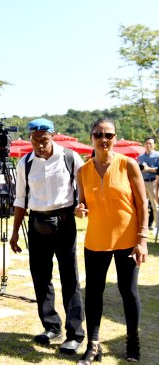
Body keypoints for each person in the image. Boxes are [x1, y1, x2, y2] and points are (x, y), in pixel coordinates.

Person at [74, 118, 148, 364]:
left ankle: (132, 343)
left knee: (128, 292)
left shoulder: (129, 165)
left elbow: (142, 204)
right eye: (98, 134)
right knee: (94, 293)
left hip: (128, 240)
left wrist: (143, 239)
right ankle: (93, 346)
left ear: (115, 137)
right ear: (91, 138)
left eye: (109, 135)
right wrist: (80, 209)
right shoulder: (82, 171)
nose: (103, 139)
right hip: (96, 241)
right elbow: (82, 202)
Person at [9, 118, 85, 354]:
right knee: (40, 277)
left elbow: (83, 189)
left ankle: (75, 333)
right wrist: (14, 233)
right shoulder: (25, 163)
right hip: (37, 223)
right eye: (35, 140)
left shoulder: (70, 158)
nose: (39, 144)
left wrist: (82, 205)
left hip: (64, 222)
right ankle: (51, 325)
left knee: (69, 277)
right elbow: (20, 199)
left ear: (53, 136)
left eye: (43, 139)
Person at [137, 137, 159, 230]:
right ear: (144, 144)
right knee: (142, 205)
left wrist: (148, 169)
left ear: (154, 145)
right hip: (142, 183)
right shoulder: (141, 157)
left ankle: (157, 227)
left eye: (150, 143)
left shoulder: (157, 155)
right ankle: (142, 226)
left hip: (153, 182)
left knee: (155, 206)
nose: (148, 145)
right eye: (147, 143)